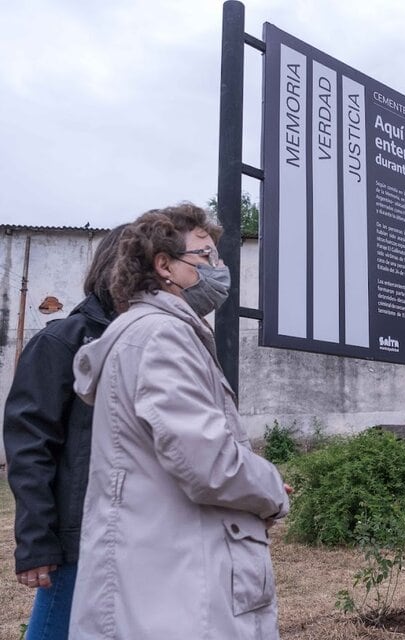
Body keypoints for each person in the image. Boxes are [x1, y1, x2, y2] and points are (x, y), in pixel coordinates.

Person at [69, 204, 290, 639]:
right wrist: (270, 489)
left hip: (168, 575)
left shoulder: (151, 334)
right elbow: (209, 464)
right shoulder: (161, 337)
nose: (217, 270)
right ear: (164, 265)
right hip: (179, 592)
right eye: (205, 257)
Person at [3, 225, 126, 640]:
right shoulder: (63, 340)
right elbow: (29, 446)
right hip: (80, 540)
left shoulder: (152, 344)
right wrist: (37, 542)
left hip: (139, 535)